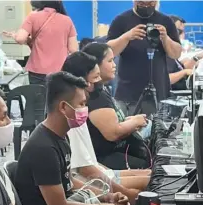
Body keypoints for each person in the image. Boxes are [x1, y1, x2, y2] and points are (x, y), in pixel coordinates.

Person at [14, 72, 136, 205]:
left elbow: (68, 181)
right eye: (81, 104)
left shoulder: (60, 137)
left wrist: (107, 197)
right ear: (63, 107)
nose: (84, 110)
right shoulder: (44, 148)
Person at [62, 50, 151, 189]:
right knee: (151, 182)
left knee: (152, 175)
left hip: (99, 174)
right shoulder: (73, 120)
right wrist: (122, 191)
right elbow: (86, 172)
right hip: (91, 184)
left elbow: (92, 165)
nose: (98, 83)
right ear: (83, 82)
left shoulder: (81, 111)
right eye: (96, 77)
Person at [77, 44, 151, 170]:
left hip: (113, 153)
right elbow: (113, 133)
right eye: (110, 61)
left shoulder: (102, 89)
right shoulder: (95, 94)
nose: (114, 65)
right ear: (95, 65)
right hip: (103, 158)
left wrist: (131, 121)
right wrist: (134, 122)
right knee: (148, 169)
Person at [107, 0, 182, 115]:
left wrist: (165, 38)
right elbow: (109, 51)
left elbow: (176, 54)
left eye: (151, 4)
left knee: (158, 129)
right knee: (130, 130)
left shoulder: (165, 21)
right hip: (128, 92)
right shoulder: (121, 20)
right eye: (141, 4)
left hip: (159, 91)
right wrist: (127, 37)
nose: (146, 7)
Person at [3, 0, 78, 85]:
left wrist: (15, 35)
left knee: (38, 96)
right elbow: (73, 49)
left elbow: (20, 39)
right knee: (56, 97)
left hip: (37, 70)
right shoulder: (67, 20)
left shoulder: (33, 17)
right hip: (60, 70)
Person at [166, 15, 203, 90]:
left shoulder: (173, 54)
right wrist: (184, 72)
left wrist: (196, 58)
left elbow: (183, 68)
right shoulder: (165, 54)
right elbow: (165, 79)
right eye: (179, 31)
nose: (181, 34)